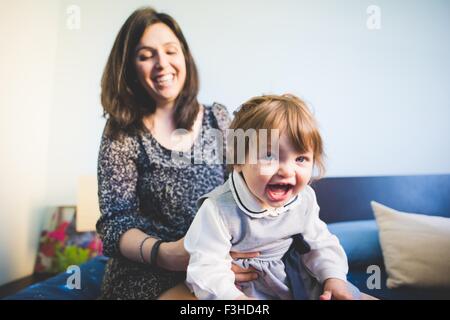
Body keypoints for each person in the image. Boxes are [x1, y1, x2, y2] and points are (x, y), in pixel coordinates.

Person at [96, 7, 257, 299]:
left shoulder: (218, 119)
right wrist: (167, 254)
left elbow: (245, 193)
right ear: (129, 67)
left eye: (170, 51)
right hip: (146, 270)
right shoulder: (122, 131)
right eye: (145, 56)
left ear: (185, 56)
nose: (162, 64)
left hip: (214, 262)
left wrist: (223, 258)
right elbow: (115, 223)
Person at [184, 94, 361, 300]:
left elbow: (320, 243)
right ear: (239, 160)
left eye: (301, 158)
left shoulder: (304, 199)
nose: (287, 170)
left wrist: (334, 279)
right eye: (269, 156)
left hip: (296, 279)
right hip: (246, 289)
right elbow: (206, 268)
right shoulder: (219, 209)